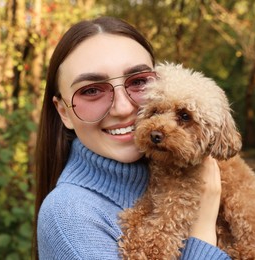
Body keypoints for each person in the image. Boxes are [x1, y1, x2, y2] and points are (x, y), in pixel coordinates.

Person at [33, 16, 230, 259]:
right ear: (64, 111)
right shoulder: (68, 217)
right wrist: (202, 232)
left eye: (138, 82)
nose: (123, 108)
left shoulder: (179, 168)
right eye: (91, 90)